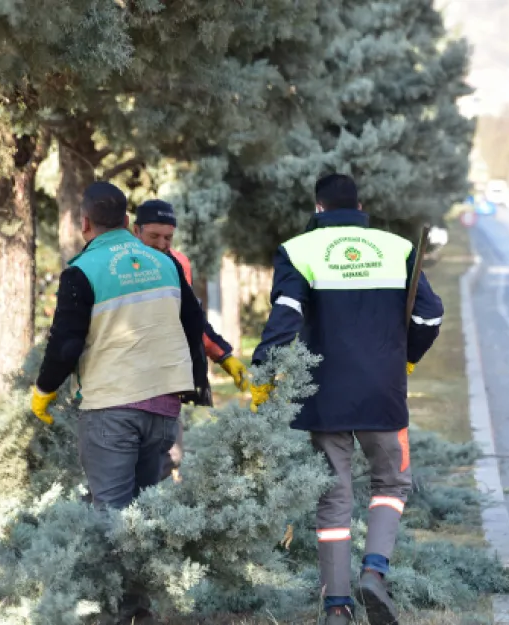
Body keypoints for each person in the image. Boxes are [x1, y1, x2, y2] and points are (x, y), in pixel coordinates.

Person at [249, 174, 443, 625]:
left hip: (323, 395)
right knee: (390, 483)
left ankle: (337, 605)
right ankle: (374, 570)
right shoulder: (397, 248)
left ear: (319, 209)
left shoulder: (299, 251)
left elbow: (287, 316)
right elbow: (429, 315)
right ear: (360, 206)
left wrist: (264, 371)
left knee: (333, 495)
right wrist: (406, 356)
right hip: (383, 393)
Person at [30, 181, 212, 510]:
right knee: (145, 513)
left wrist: (43, 392)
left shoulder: (81, 271)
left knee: (111, 519)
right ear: (128, 222)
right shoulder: (165, 263)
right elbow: (194, 323)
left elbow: (66, 344)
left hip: (112, 407)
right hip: (164, 409)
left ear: (84, 224)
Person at [132, 199, 248, 481]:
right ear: (136, 231)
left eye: (168, 237)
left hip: (169, 375)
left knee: (170, 456)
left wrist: (224, 356)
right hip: (129, 376)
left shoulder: (178, 262)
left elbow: (191, 319)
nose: (161, 243)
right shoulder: (121, 263)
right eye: (153, 236)